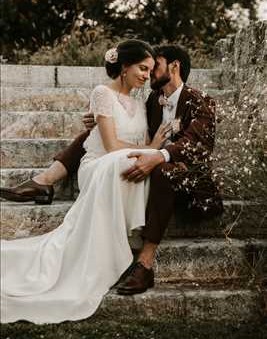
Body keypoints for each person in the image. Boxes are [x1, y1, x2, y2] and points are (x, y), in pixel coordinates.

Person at [1, 44, 223, 298]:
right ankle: (46, 180)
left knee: (161, 170)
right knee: (98, 134)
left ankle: (145, 263)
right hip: (145, 162)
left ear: (174, 66)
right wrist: (98, 119)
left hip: (182, 178)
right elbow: (127, 131)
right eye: (145, 69)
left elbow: (197, 145)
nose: (149, 75)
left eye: (155, 68)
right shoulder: (152, 100)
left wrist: (157, 155)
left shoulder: (199, 100)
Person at [1, 39, 170, 324]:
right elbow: (112, 145)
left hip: (119, 160)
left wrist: (150, 148)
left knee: (134, 162)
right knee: (123, 161)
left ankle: (125, 231)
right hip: (97, 163)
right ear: (125, 66)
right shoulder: (102, 93)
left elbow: (136, 144)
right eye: (142, 68)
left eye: (150, 70)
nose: (146, 76)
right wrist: (152, 149)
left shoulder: (141, 101)